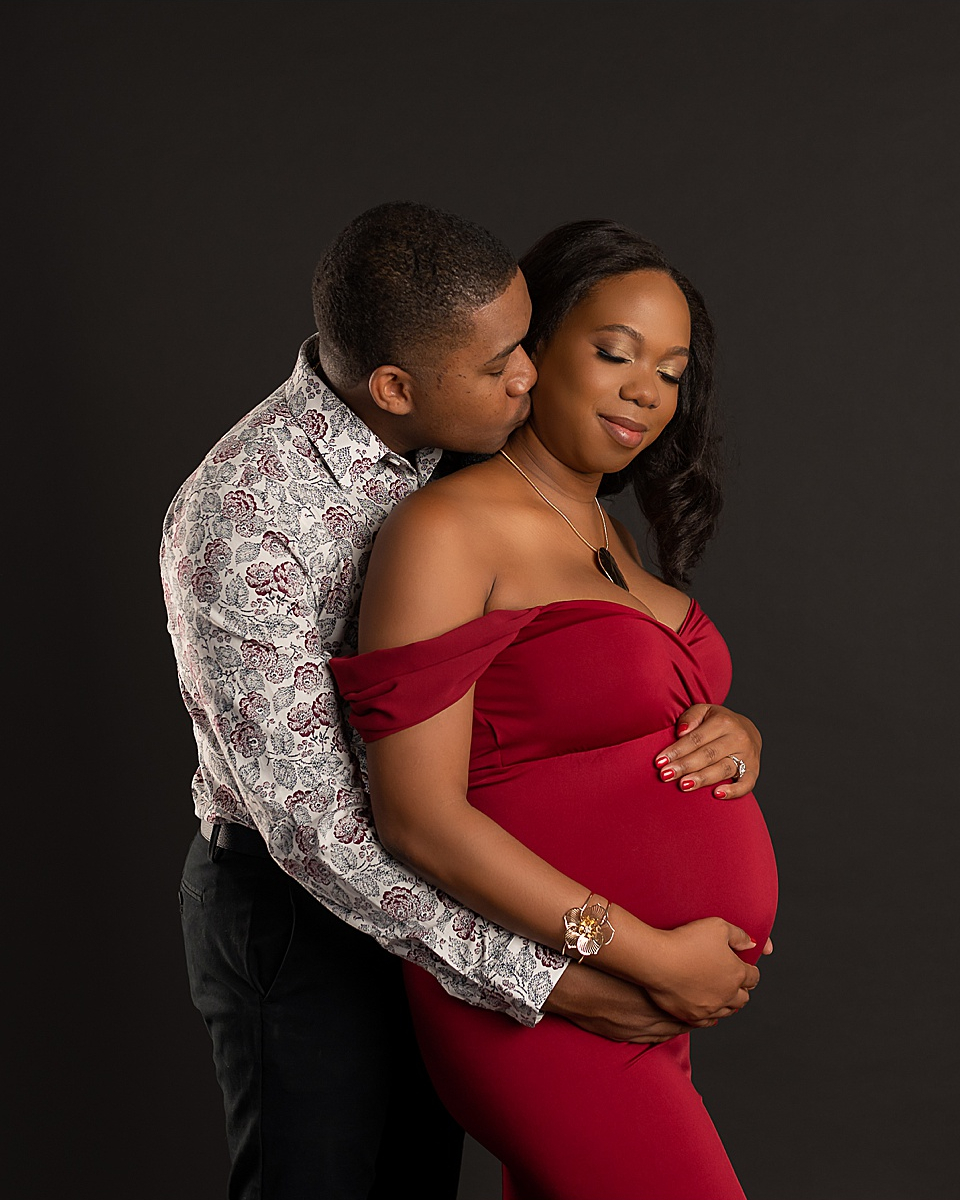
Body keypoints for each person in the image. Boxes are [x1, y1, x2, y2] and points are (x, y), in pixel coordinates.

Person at [161, 203, 769, 1200]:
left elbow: (552, 692)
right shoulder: (245, 516)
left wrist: (723, 726)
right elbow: (333, 834)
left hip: (481, 921)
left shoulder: (462, 441)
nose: (525, 377)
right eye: (503, 366)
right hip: (305, 913)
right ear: (396, 385)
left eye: (528, 345)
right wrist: (566, 969)